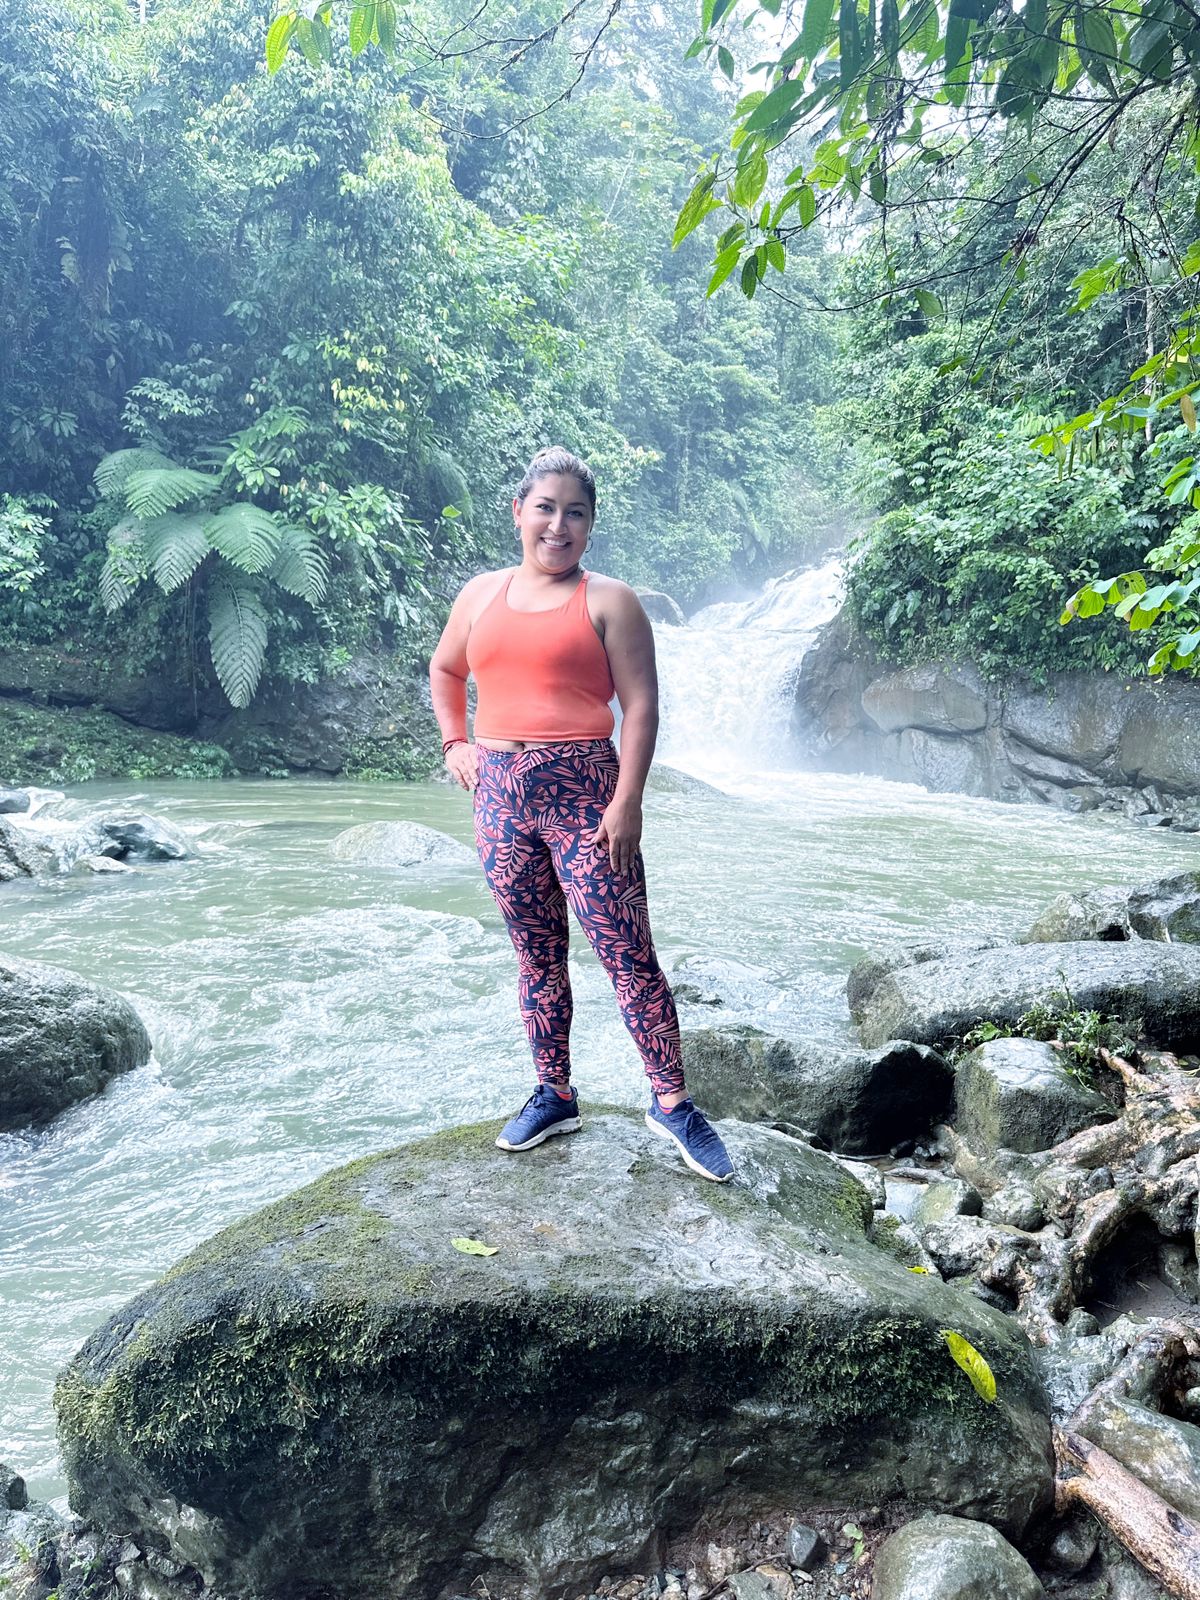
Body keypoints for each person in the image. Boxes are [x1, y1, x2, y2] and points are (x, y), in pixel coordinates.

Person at [429, 446, 733, 1183]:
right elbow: (446, 669)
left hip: (586, 794)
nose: (557, 526)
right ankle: (555, 1094)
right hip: (500, 795)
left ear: (590, 526)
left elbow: (642, 705)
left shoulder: (609, 601)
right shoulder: (479, 595)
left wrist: (628, 799)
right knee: (537, 953)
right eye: (545, 508)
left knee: (628, 954)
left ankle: (672, 1104)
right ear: (519, 512)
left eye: (575, 513)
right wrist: (455, 743)